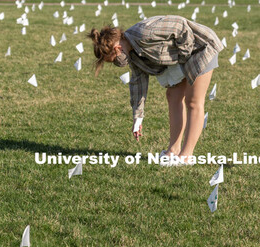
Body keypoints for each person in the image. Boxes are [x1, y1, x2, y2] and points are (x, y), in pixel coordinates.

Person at [88, 15, 223, 165]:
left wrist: (184, 57)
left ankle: (186, 155)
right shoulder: (132, 53)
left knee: (193, 101)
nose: (117, 64)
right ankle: (173, 150)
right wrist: (137, 118)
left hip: (200, 47)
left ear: (117, 48)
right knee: (172, 95)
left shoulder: (145, 33)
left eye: (113, 60)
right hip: (183, 57)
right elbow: (138, 82)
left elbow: (179, 25)